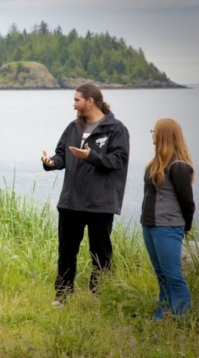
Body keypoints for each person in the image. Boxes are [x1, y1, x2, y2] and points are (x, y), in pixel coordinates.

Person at [41, 83, 130, 305]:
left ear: (90, 101)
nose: (74, 105)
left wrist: (91, 157)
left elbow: (118, 161)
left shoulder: (116, 129)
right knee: (66, 252)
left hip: (100, 204)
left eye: (77, 100)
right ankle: (62, 296)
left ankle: (100, 296)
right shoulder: (73, 128)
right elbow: (62, 155)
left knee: (100, 253)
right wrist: (51, 162)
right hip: (71, 202)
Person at [141, 118, 194, 320]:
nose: (152, 134)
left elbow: (187, 202)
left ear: (162, 135)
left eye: (154, 131)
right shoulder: (154, 164)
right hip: (150, 225)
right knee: (161, 273)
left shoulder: (179, 167)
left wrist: (186, 226)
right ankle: (164, 312)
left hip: (168, 226)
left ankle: (182, 316)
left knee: (172, 274)